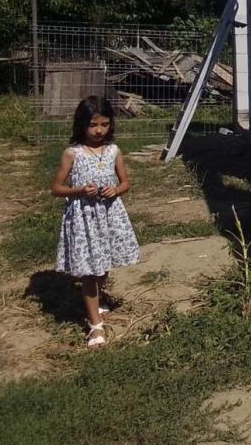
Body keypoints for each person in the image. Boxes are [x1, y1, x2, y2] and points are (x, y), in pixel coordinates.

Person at [50, 96, 140, 348]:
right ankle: (95, 325)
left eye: (104, 124)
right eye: (93, 125)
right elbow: (56, 188)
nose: (99, 130)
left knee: (103, 263)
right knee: (90, 272)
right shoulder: (73, 153)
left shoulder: (113, 151)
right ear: (81, 124)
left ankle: (96, 298)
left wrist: (116, 190)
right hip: (84, 220)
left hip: (109, 216)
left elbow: (125, 182)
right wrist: (78, 190)